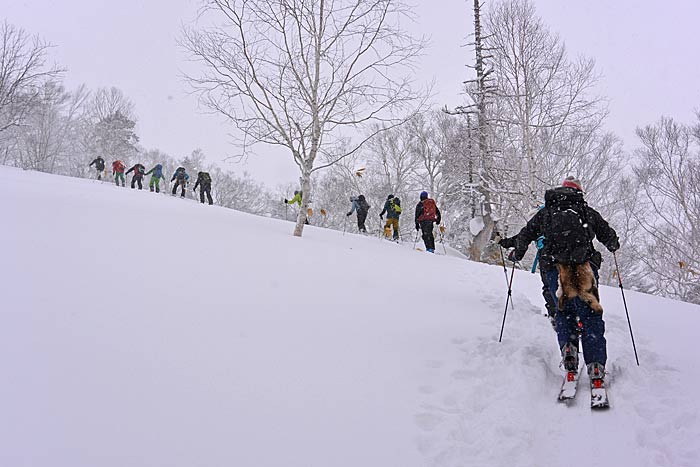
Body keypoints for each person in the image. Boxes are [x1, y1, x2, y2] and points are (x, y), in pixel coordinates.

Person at [505, 176, 620, 386]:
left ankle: (569, 349)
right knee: (591, 314)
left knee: (564, 312)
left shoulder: (547, 212)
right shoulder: (586, 211)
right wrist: (613, 244)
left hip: (555, 268)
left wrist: (518, 253)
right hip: (583, 268)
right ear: (579, 192)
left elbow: (526, 234)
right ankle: (595, 364)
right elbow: (609, 236)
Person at [497, 231, 558, 327]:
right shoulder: (578, 219)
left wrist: (508, 245)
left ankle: (556, 317)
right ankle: (574, 318)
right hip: (577, 259)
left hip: (549, 259)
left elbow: (525, 235)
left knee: (550, 288)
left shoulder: (544, 219)